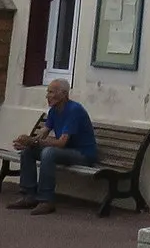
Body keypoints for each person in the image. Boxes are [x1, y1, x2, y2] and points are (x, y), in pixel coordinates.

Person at [8, 78, 98, 215]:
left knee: (48, 153)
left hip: (83, 154)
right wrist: (28, 142)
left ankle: (46, 200)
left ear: (63, 94)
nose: (47, 96)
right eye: (47, 92)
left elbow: (62, 142)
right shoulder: (53, 111)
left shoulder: (74, 110)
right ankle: (29, 195)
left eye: (51, 92)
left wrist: (35, 142)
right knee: (28, 151)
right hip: (67, 151)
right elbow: (42, 135)